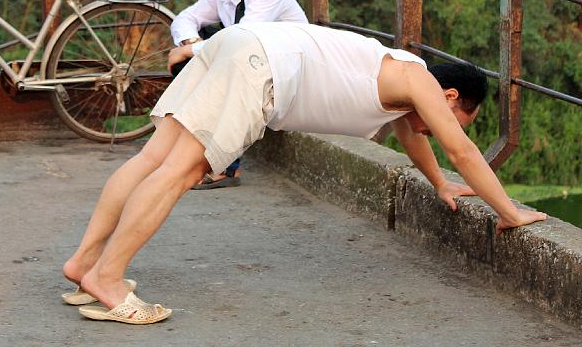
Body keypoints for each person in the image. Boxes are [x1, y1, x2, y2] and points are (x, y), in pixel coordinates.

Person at [62, 22, 547, 324]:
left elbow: (415, 140)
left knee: (151, 159)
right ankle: (108, 276)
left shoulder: (403, 79)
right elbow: (461, 151)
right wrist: (508, 211)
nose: (452, 128)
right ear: (451, 98)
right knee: (181, 171)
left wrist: (439, 182)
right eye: (463, 119)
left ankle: (85, 265)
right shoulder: (418, 80)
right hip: (261, 65)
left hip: (241, 44)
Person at [169, 0, 307, 189]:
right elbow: (184, 19)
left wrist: (190, 51)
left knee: (212, 62)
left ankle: (224, 167)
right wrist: (190, 43)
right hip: (257, 68)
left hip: (288, 77)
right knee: (197, 61)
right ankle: (198, 154)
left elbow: (243, 41)